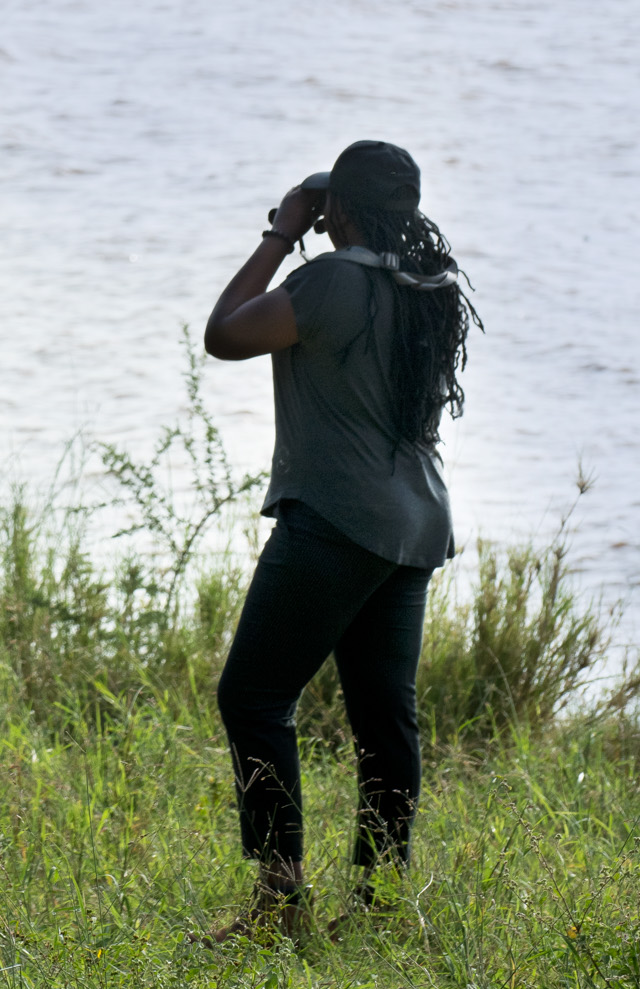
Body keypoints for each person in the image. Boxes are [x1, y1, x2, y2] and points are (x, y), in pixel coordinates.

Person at [202, 140, 477, 939]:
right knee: (384, 714)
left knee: (252, 698)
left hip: (336, 519)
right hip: (414, 522)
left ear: (340, 211)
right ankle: (383, 899)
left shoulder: (325, 281)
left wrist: (284, 232)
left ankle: (280, 900)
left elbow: (224, 333)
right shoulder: (431, 286)